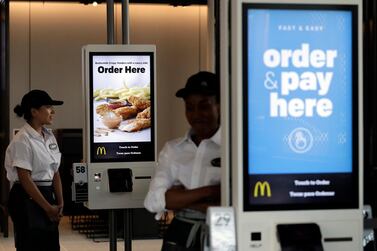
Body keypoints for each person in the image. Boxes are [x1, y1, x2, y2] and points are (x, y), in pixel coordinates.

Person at [144, 71, 221, 251]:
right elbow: (154, 201)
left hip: (222, 236)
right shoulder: (173, 149)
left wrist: (181, 198)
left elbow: (236, 202)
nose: (196, 114)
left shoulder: (235, 149)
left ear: (220, 105)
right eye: (189, 107)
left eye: (204, 106)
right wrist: (211, 191)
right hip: (179, 238)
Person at [5, 89, 64, 251]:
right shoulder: (22, 139)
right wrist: (47, 207)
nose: (53, 111)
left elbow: (55, 172)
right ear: (34, 112)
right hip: (26, 197)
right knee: (31, 244)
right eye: (48, 107)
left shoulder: (49, 136)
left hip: (47, 194)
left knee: (51, 245)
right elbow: (25, 179)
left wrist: (60, 202)